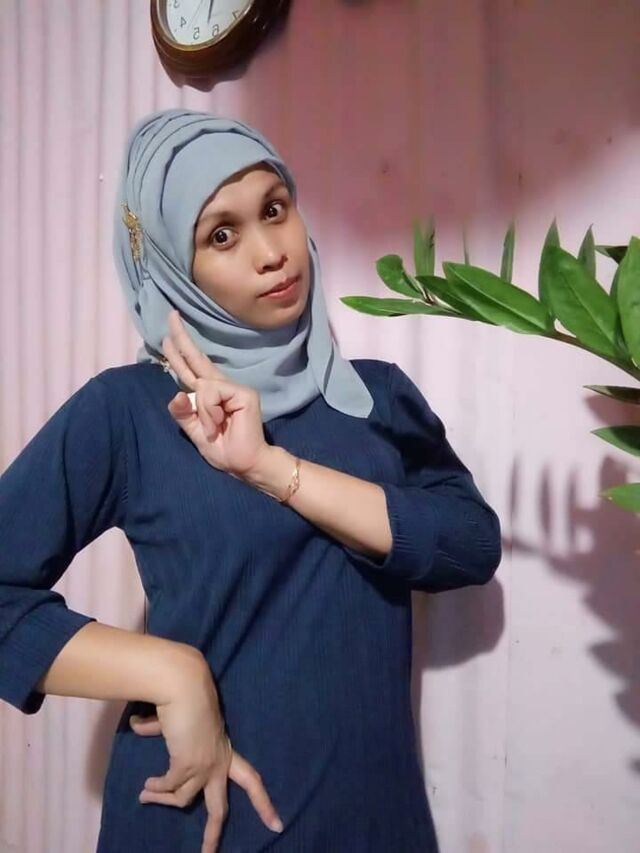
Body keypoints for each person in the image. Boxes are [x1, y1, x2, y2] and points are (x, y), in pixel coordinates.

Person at [0, 108, 502, 852]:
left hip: (369, 824)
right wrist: (172, 673)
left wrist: (268, 467)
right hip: (201, 821)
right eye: (221, 235)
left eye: (274, 208)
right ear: (170, 266)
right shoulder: (131, 411)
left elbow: (469, 546)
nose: (272, 253)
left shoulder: (373, 397)